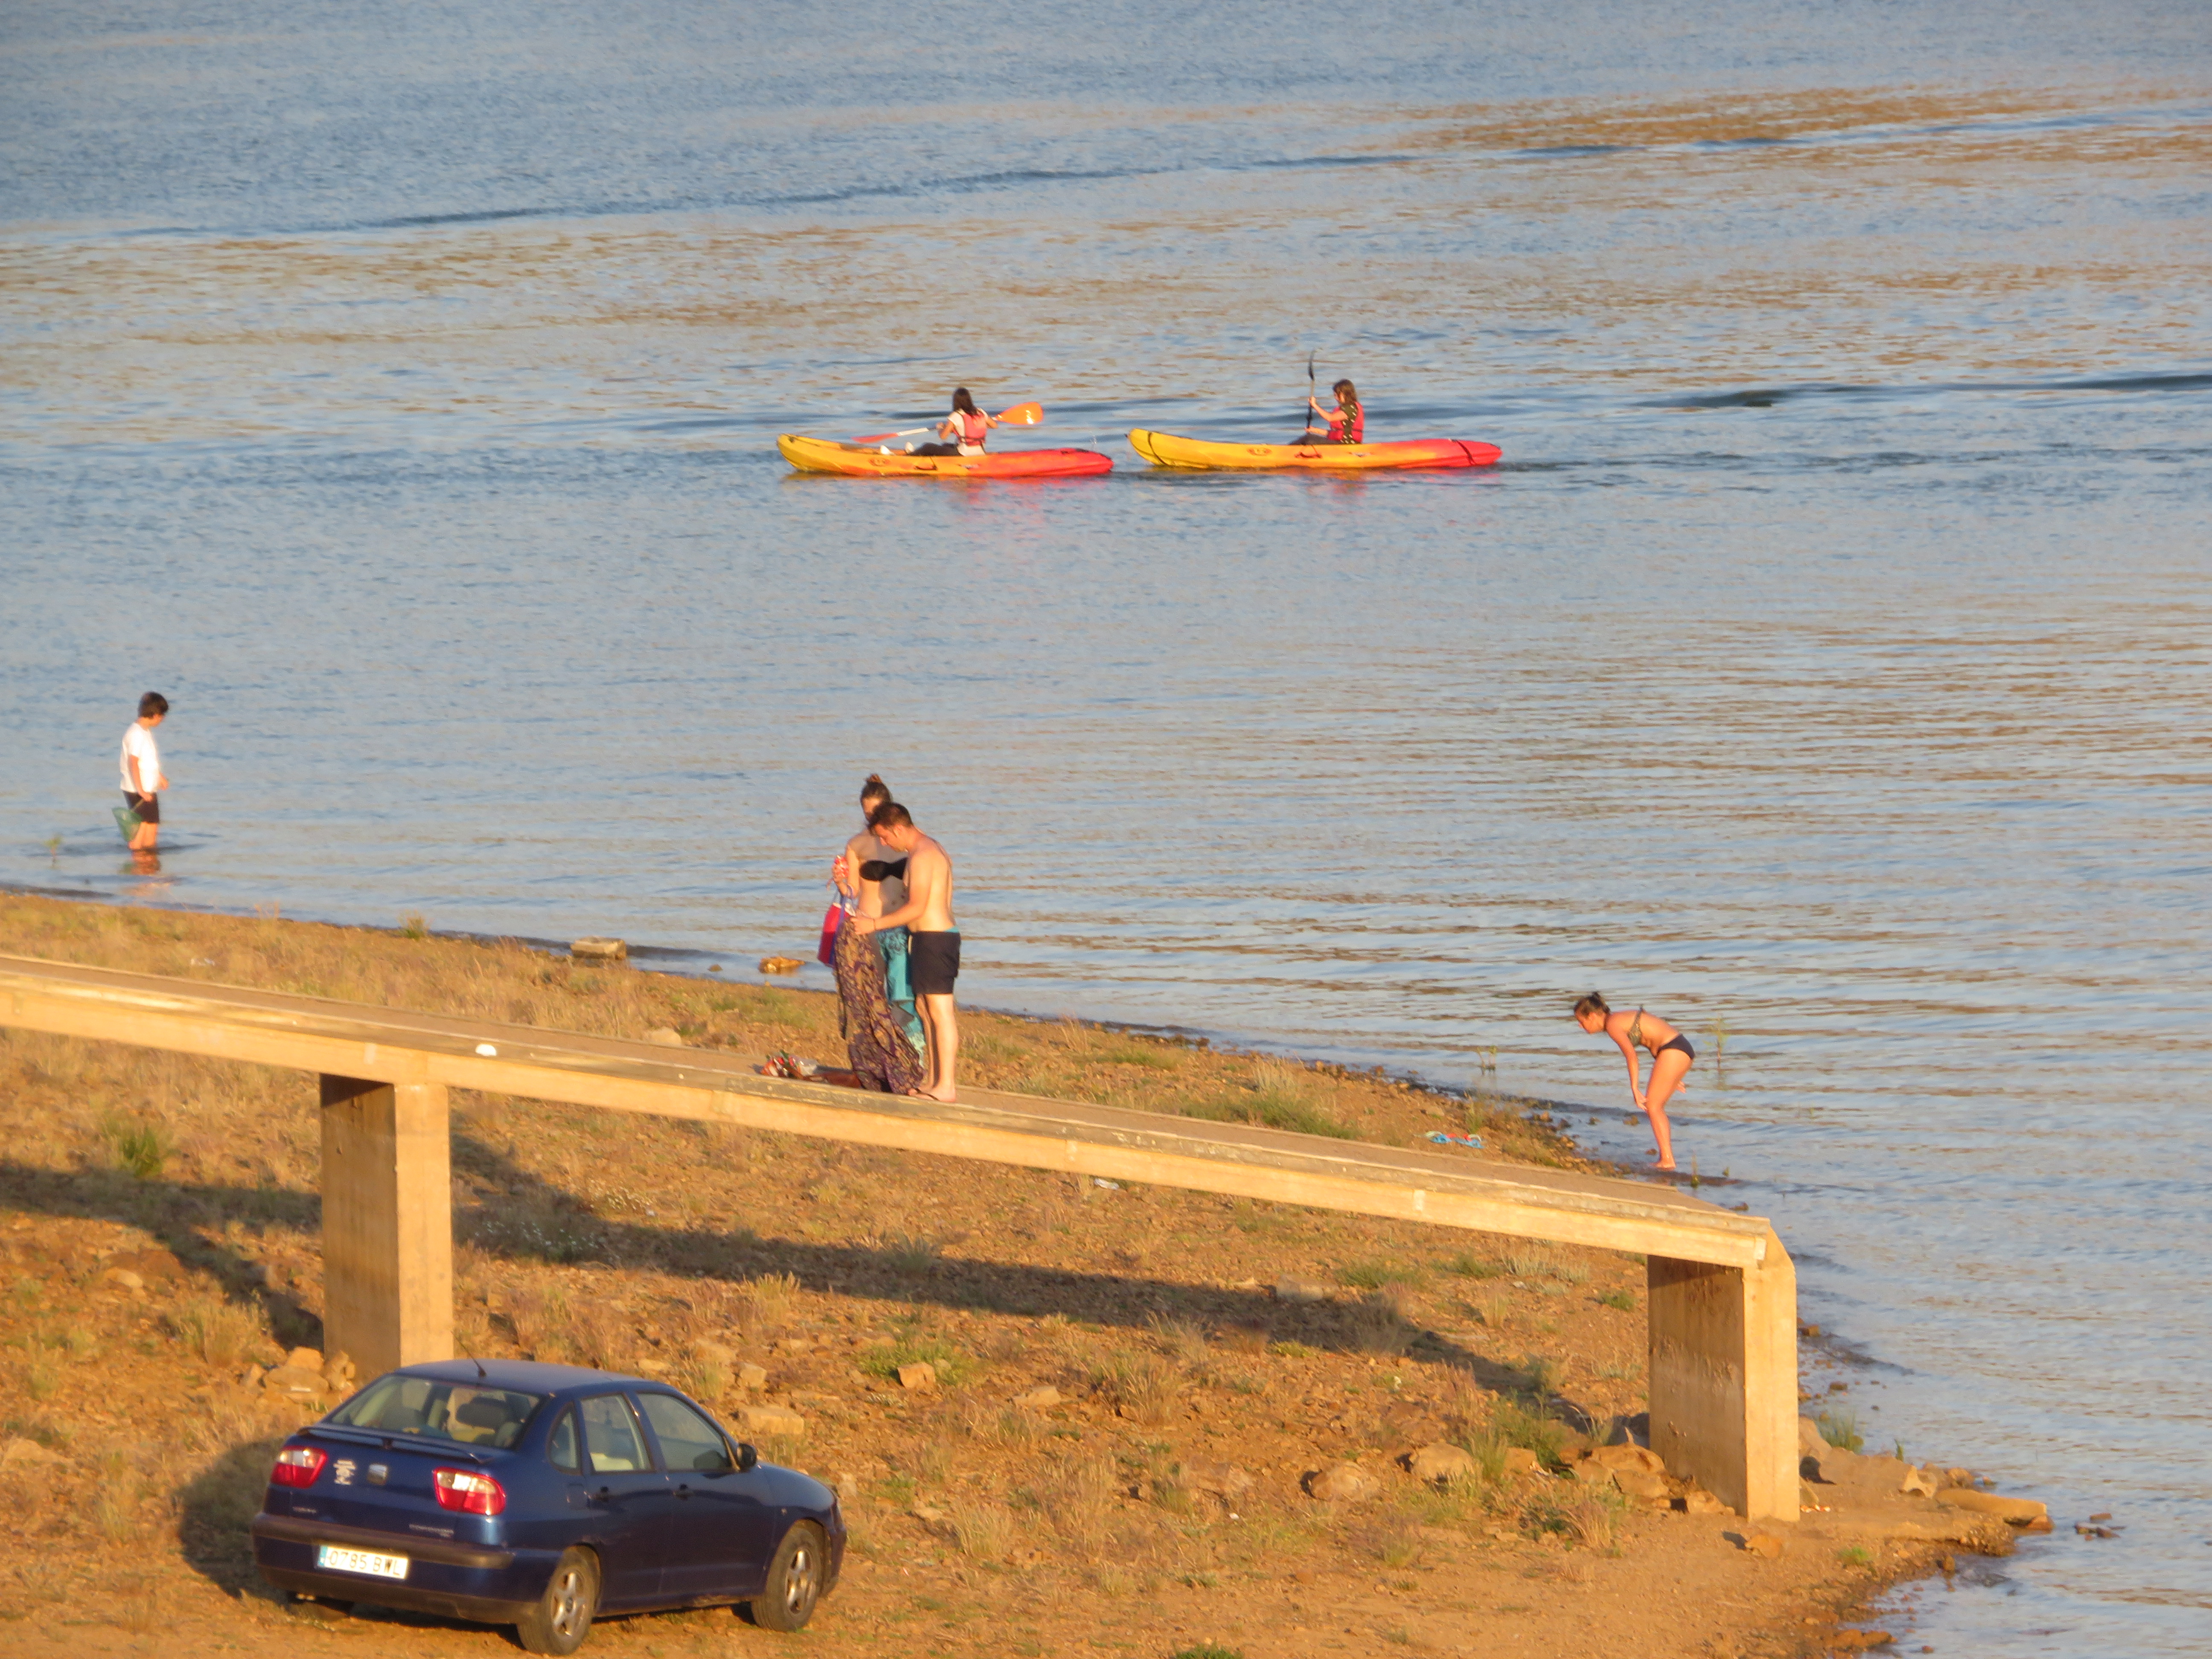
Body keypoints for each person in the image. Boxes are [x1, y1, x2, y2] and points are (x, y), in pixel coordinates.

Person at [848, 802, 959, 1102]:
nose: (885, 844)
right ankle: (933, 1080)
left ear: (898, 829)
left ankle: (947, 1086)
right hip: (924, 939)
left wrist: (874, 925)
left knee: (940, 1012)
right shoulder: (926, 849)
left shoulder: (923, 856)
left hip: (937, 939)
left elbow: (917, 907)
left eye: (885, 837)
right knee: (924, 1009)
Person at [830, 774, 923, 1056]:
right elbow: (853, 890)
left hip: (902, 923)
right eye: (867, 812)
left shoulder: (907, 840)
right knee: (873, 992)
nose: (871, 818)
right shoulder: (857, 844)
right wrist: (840, 881)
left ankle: (909, 1051)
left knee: (904, 993)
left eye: (876, 811)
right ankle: (878, 1050)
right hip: (868, 924)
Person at [1572, 993, 1693, 1171]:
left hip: (1673, 1050)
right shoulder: (1617, 1019)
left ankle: (1668, 1160)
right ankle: (1666, 1158)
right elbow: (1652, 1036)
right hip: (1676, 1050)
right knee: (1655, 1106)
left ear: (1592, 1016)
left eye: (1581, 1021)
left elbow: (1631, 1056)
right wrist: (1671, 1074)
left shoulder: (1613, 1024)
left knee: (1653, 1106)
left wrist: (1635, 1088)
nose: (1580, 1026)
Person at [119, 691, 170, 852]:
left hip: (147, 788)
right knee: (141, 832)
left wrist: (159, 777)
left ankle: (147, 864)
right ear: (155, 715)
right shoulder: (136, 734)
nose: (163, 719)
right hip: (139, 790)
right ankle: (138, 863)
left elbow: (147, 760)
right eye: (162, 716)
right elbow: (133, 762)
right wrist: (141, 790)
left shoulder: (144, 731)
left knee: (151, 826)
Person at [908, 387, 999, 458]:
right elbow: (994, 426)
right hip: (981, 451)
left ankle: (910, 456)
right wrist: (977, 425)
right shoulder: (980, 412)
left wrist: (940, 428)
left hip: (964, 454)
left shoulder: (956, 415)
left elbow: (943, 436)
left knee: (927, 447)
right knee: (946, 446)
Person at [1301, 378, 1363, 445]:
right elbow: (1333, 433)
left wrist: (1315, 405)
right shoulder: (1345, 409)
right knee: (1308, 438)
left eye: (1336, 395)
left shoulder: (1351, 409)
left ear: (1343, 394)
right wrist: (1315, 430)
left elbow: (1330, 418)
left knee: (1308, 440)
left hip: (1346, 444)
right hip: (1340, 443)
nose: (1336, 398)